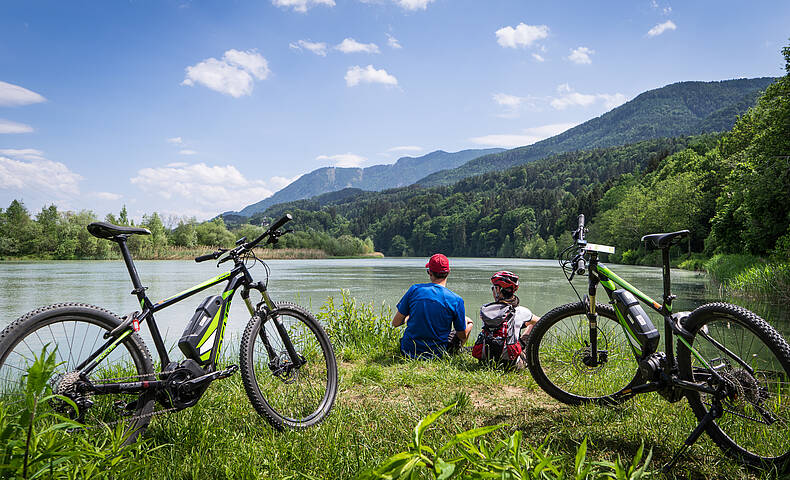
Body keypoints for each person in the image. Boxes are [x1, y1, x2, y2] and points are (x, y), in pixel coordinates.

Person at [392, 253, 474, 358]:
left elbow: (395, 323)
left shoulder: (414, 290)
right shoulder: (456, 300)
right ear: (448, 273)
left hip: (408, 350)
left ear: (429, 272)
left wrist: (408, 317)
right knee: (469, 322)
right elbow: (462, 335)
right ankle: (455, 352)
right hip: (437, 354)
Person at [471, 271, 540, 369]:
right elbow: (541, 321)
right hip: (511, 364)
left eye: (493, 288)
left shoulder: (486, 311)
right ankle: (528, 356)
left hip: (486, 361)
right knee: (532, 325)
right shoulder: (522, 311)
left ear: (498, 290)